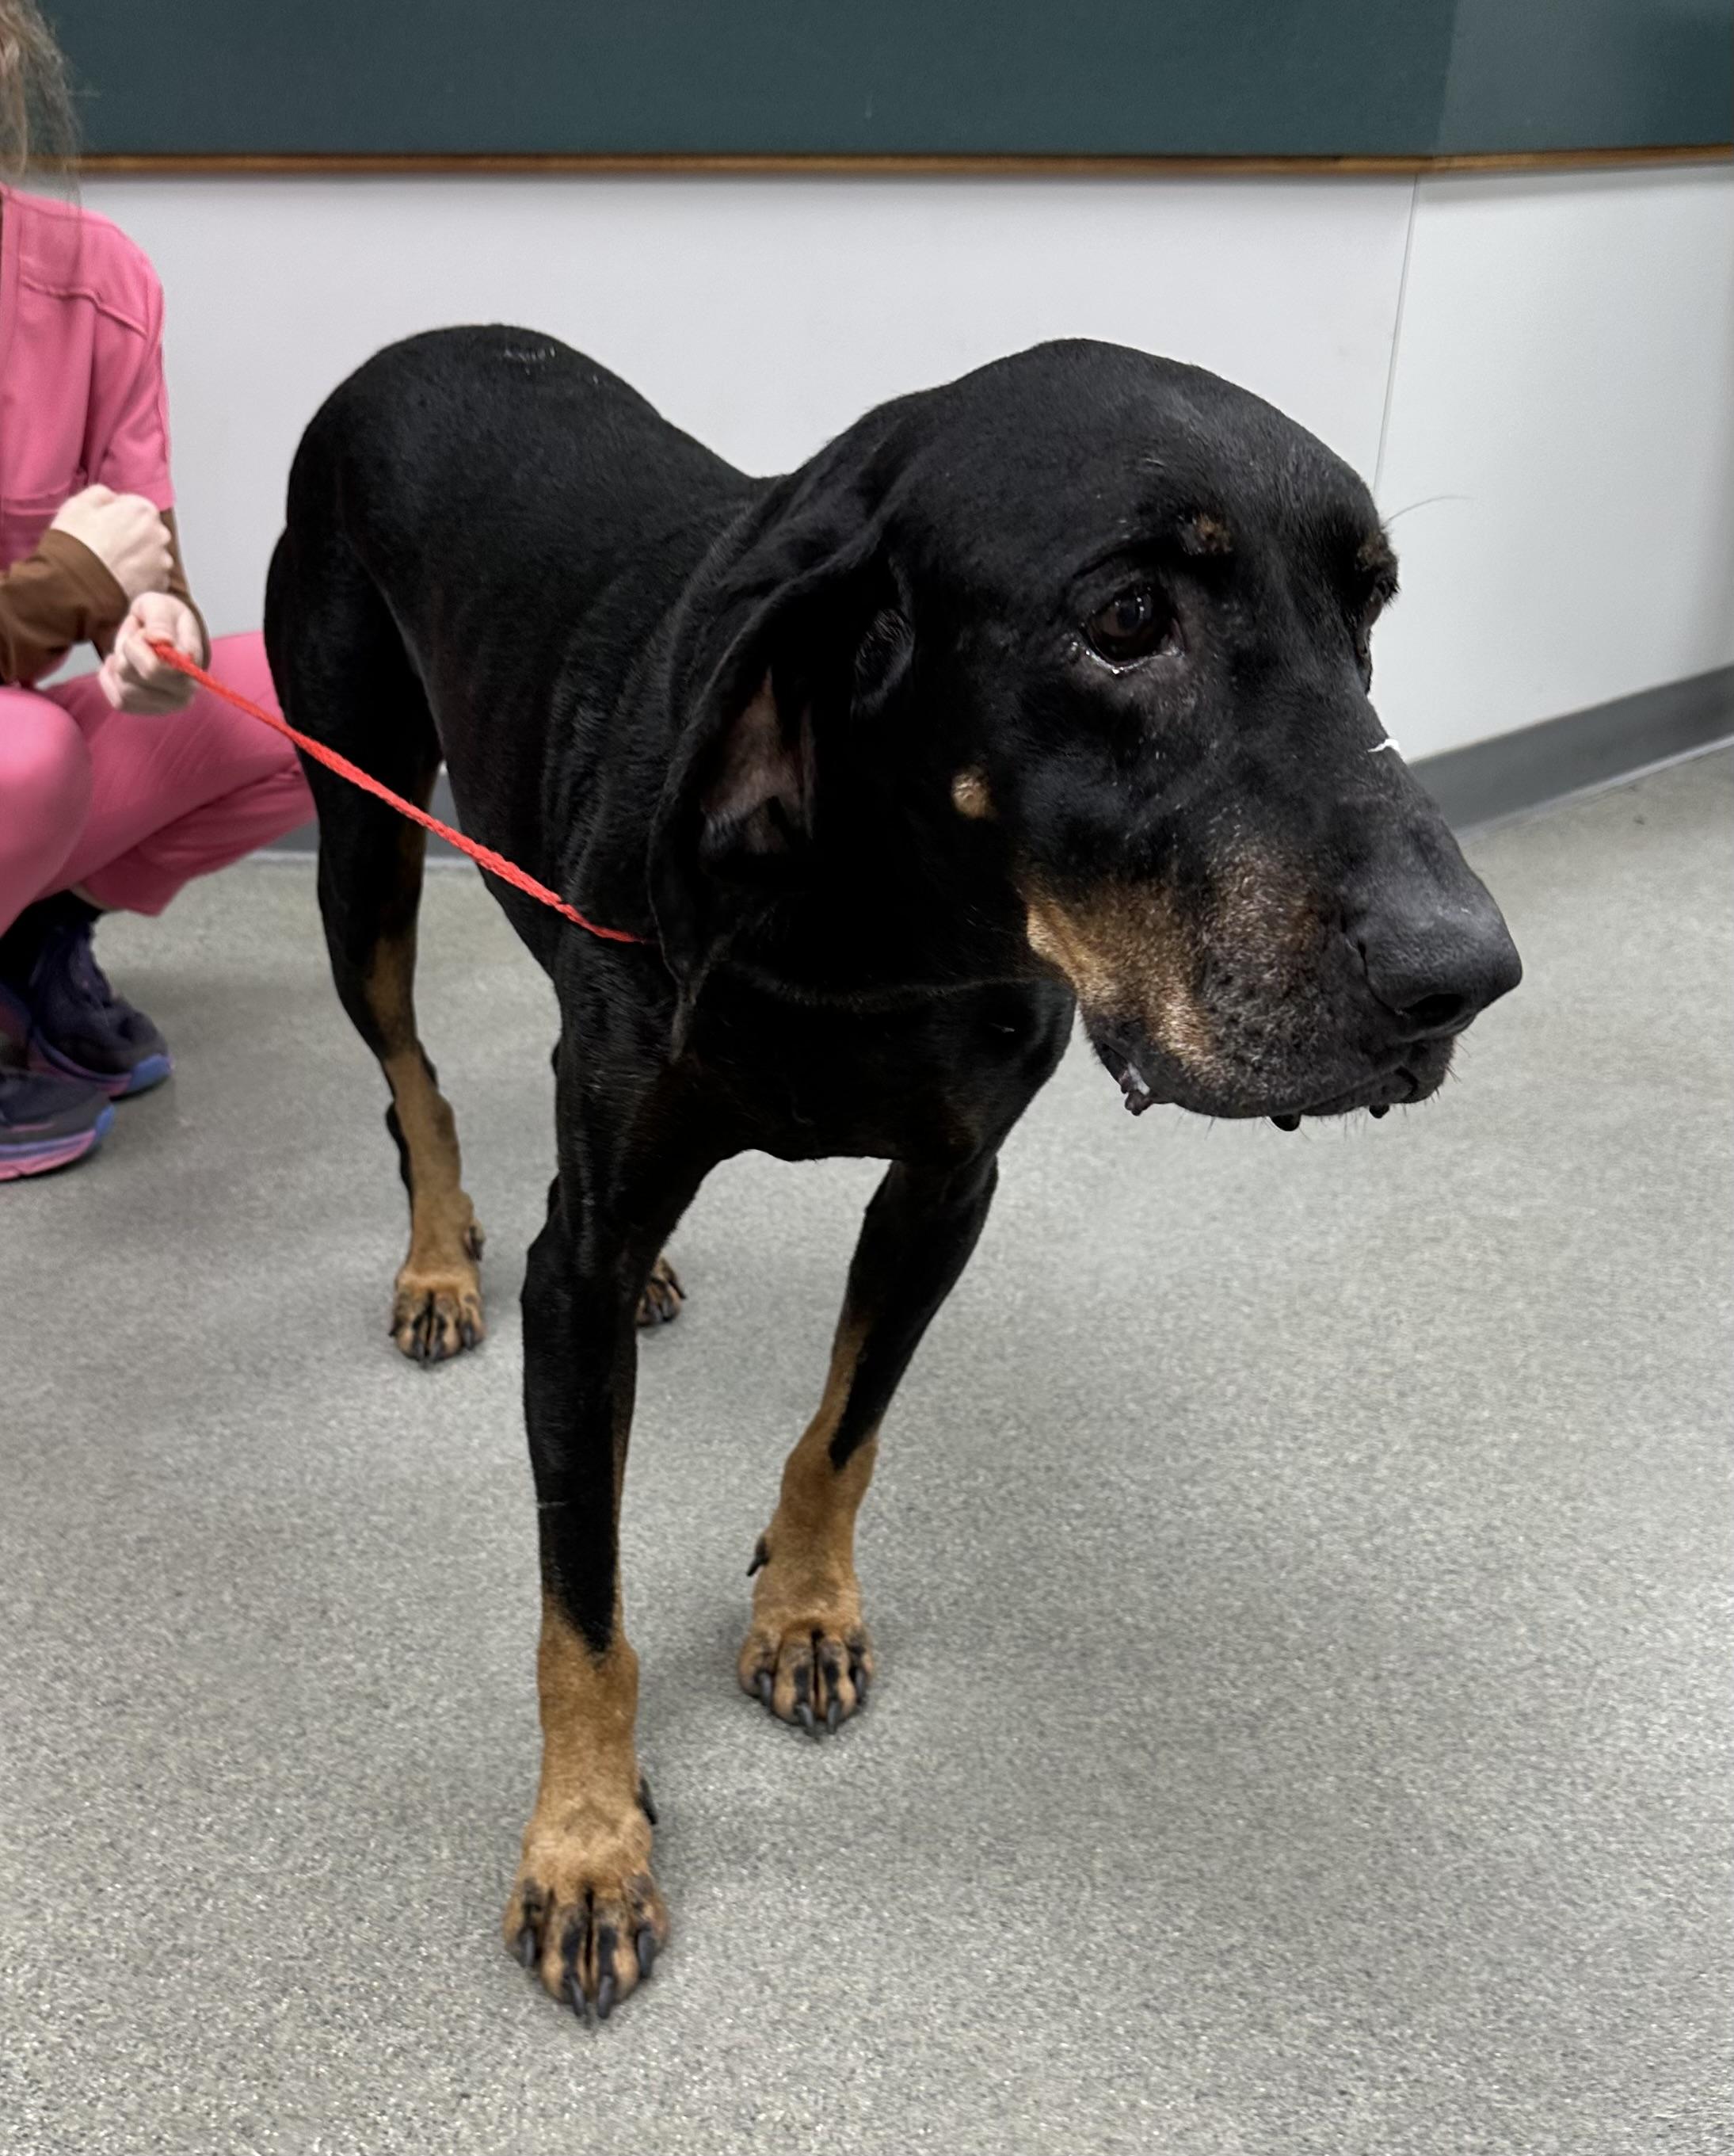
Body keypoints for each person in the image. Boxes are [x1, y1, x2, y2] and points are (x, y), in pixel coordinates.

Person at [0, 1, 312, 1179]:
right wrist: (59, 592)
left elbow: (141, 563)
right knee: (23, 751)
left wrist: (155, 636)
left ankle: (25, 943)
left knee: (302, 695)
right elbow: (73, 577)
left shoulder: (100, 283)